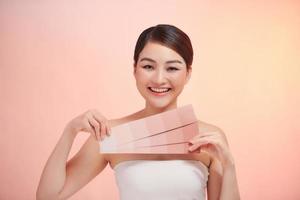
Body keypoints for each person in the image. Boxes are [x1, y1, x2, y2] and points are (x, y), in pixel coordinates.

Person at [36, 24, 240, 200]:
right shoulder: (110, 135)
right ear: (135, 70)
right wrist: (69, 131)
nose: (159, 79)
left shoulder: (209, 139)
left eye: (172, 68)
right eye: (148, 66)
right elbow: (48, 196)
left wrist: (229, 165)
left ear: (188, 73)